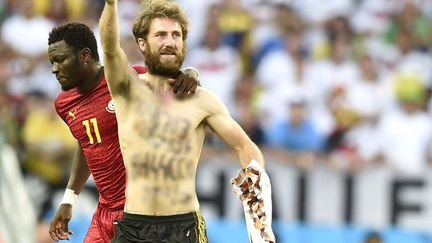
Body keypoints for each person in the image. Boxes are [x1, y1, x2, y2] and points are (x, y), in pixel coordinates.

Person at [99, 0, 275, 242]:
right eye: (160, 35)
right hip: (133, 227)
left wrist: (261, 226)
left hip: (184, 229)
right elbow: (109, 49)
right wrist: (111, 5)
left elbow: (246, 148)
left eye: (176, 35)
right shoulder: (126, 88)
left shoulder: (202, 100)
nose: (170, 42)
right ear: (142, 43)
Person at [47, 22, 200, 242]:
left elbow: (182, 82)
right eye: (52, 62)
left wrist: (191, 73)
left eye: (61, 60)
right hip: (104, 213)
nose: (54, 68)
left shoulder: (130, 80)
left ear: (85, 55)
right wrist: (68, 199)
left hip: (141, 214)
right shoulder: (64, 103)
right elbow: (87, 143)